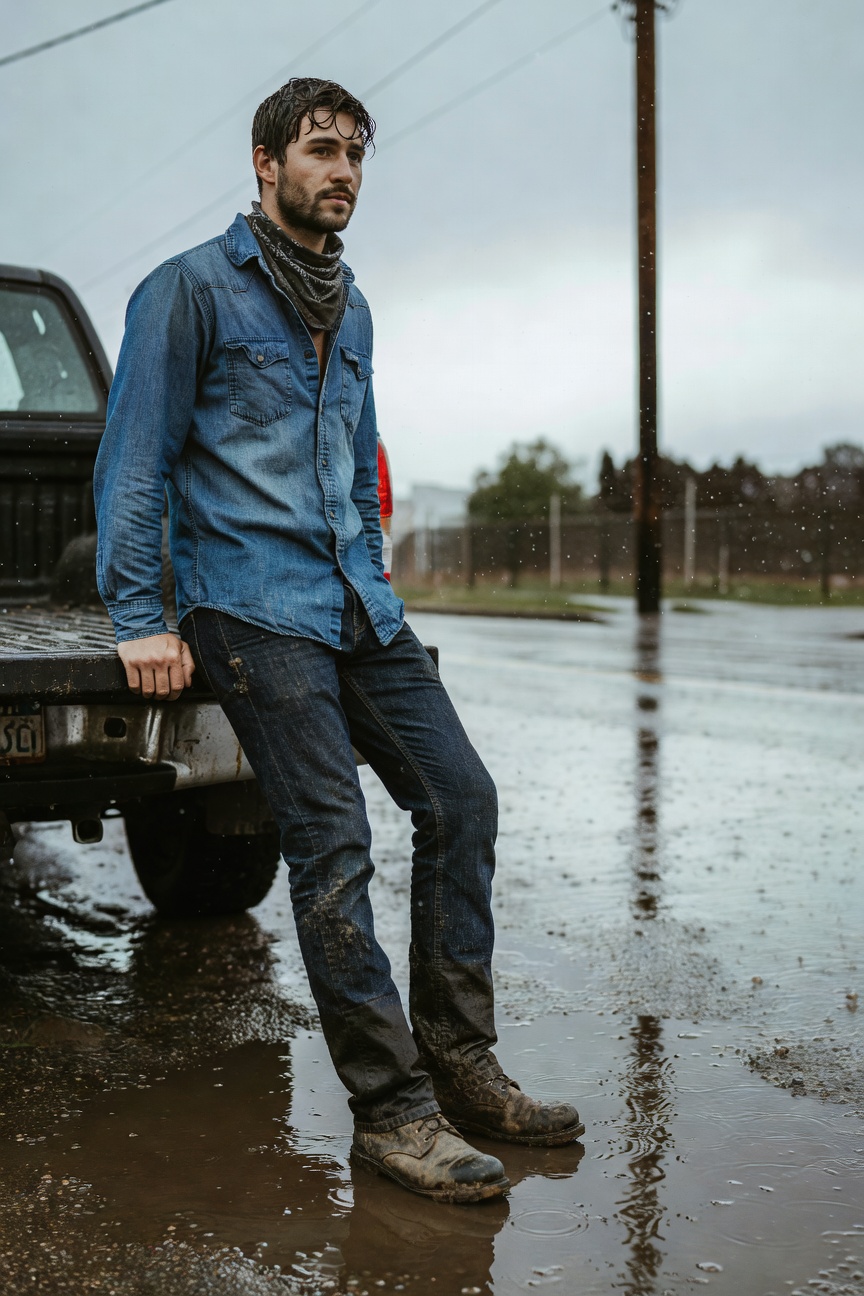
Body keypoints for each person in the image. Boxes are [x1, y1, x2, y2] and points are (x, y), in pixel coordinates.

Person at [94, 77, 583, 1203]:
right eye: (322, 150)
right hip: (248, 604)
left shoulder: (350, 307)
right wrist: (141, 620)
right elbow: (135, 463)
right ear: (265, 163)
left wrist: (376, 571)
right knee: (333, 838)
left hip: (355, 604)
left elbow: (359, 468)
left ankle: (461, 1067)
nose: (344, 172)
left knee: (463, 800)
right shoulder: (187, 291)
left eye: (356, 154)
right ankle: (393, 1114)